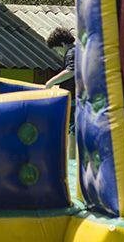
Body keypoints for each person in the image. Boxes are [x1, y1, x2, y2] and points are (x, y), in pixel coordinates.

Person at [45, 28, 76, 158]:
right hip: (78, 99)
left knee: (72, 135)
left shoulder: (71, 52)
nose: (59, 53)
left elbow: (71, 71)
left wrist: (50, 83)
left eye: (57, 49)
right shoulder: (79, 51)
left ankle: (71, 163)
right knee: (72, 135)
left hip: (75, 102)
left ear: (63, 44)